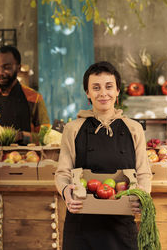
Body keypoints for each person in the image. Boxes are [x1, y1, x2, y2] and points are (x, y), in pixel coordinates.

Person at [55, 61, 152, 250]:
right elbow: (62, 173)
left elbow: (144, 173)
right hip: (82, 222)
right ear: (87, 93)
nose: (103, 93)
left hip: (121, 222)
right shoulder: (73, 129)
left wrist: (142, 196)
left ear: (117, 91)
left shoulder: (134, 128)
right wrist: (66, 191)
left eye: (109, 87)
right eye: (96, 88)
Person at [0, 45, 50, 144]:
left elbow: (46, 136)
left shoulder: (34, 98)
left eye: (7, 68)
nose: (0, 73)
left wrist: (21, 136)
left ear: (18, 68)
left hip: (25, 157)